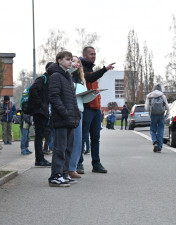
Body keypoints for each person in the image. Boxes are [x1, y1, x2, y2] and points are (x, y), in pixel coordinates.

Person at [77, 46, 115, 174]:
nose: (94, 56)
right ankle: (79, 163)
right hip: (86, 109)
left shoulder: (91, 68)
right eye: (91, 54)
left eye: (95, 54)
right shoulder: (80, 69)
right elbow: (90, 78)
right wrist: (105, 69)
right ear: (85, 55)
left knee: (95, 138)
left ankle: (96, 163)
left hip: (96, 109)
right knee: (82, 137)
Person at [48, 51, 81, 187]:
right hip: (62, 118)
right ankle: (55, 176)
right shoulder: (56, 76)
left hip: (70, 119)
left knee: (68, 148)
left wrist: (75, 114)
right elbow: (54, 97)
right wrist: (65, 112)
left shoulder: (67, 76)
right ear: (59, 61)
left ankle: (63, 174)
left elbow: (72, 99)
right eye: (67, 59)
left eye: (70, 60)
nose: (70, 62)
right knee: (60, 148)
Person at [68, 56, 99, 179]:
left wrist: (93, 94)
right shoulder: (66, 76)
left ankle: (72, 168)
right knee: (68, 142)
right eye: (73, 61)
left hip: (79, 112)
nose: (76, 64)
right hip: (69, 112)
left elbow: (83, 99)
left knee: (78, 143)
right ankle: (66, 169)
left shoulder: (81, 80)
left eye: (78, 62)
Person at [29, 62, 53, 167]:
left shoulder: (49, 79)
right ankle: (39, 160)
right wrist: (41, 103)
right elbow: (32, 89)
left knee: (41, 136)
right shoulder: (43, 79)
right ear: (47, 69)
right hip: (39, 112)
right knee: (39, 136)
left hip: (43, 112)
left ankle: (41, 158)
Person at [145, 84, 169, 153]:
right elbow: (167, 107)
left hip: (153, 115)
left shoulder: (149, 96)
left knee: (152, 130)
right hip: (161, 115)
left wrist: (150, 111)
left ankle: (154, 141)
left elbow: (146, 108)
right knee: (160, 130)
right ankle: (159, 147)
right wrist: (166, 112)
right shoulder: (163, 96)